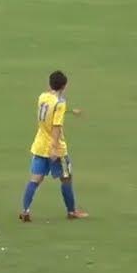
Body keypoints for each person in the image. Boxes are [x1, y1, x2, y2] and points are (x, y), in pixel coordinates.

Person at [19, 71, 89, 222]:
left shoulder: (43, 97)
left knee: (35, 179)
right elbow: (56, 125)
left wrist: (70, 111)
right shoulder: (60, 102)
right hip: (55, 147)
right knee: (66, 178)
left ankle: (25, 210)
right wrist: (54, 148)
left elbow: (50, 111)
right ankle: (72, 212)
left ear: (49, 84)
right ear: (64, 85)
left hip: (39, 144)